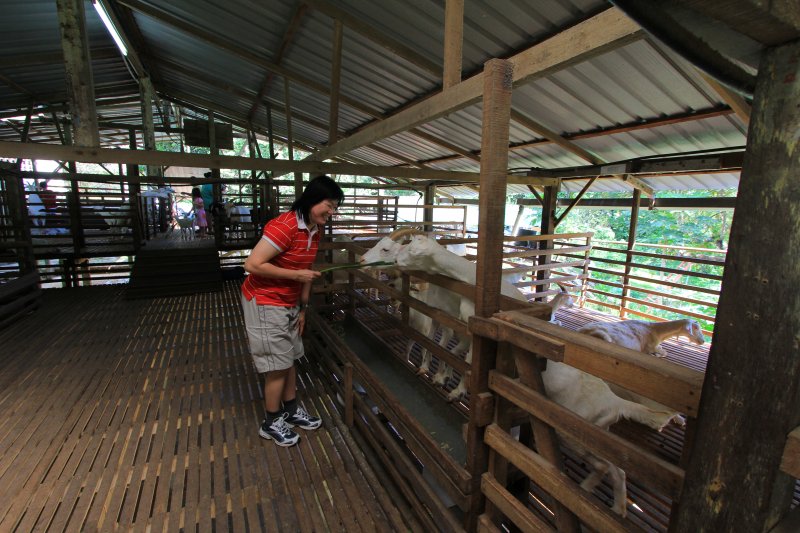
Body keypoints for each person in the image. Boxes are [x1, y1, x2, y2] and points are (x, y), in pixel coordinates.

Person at [241, 175, 344, 447]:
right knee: (278, 365)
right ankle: (271, 422)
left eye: (335, 208)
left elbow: (306, 274)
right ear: (313, 199)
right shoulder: (285, 226)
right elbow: (252, 264)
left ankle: (290, 410)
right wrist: (296, 276)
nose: (332, 213)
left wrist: (303, 309)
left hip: (289, 302)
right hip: (265, 300)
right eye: (329, 205)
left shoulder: (313, 230)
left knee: (290, 358)